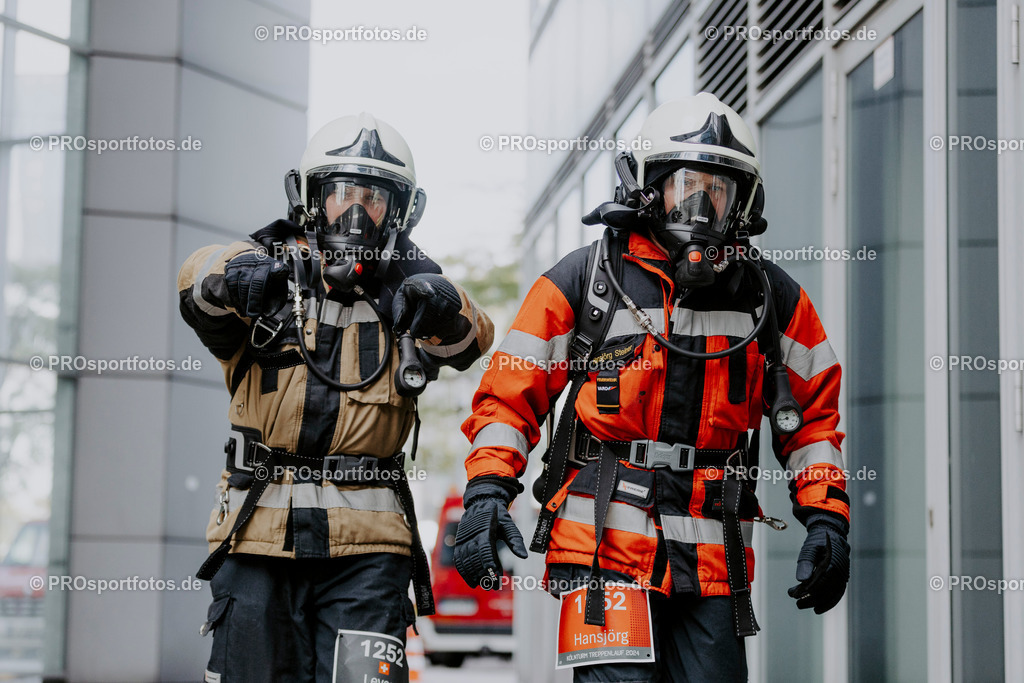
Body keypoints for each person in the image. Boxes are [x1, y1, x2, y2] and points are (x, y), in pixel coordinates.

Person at [453, 93, 850, 682]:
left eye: (717, 190)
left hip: (714, 565)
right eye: (685, 186)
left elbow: (813, 422)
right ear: (648, 187)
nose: (700, 206)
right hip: (602, 553)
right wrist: (488, 490)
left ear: (743, 202)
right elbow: (509, 398)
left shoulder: (771, 299)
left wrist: (827, 519)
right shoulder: (587, 280)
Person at [177, 112, 494, 683]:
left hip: (368, 558)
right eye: (342, 193)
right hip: (256, 541)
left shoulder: (410, 292)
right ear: (310, 197)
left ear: (399, 210)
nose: (355, 211)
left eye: (373, 198)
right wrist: (239, 271)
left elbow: (474, 338)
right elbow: (196, 283)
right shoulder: (263, 277)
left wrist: (443, 302)